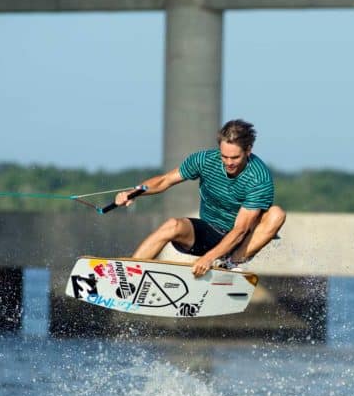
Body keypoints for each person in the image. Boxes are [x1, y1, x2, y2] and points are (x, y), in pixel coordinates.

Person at [113, 119, 286, 277]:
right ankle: (130, 274)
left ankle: (230, 264)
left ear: (248, 150)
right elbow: (165, 180)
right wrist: (133, 192)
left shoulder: (259, 178)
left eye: (235, 157)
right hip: (208, 231)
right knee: (172, 225)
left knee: (276, 214)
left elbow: (240, 230)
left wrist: (209, 258)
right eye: (224, 156)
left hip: (239, 243)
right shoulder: (204, 160)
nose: (228, 162)